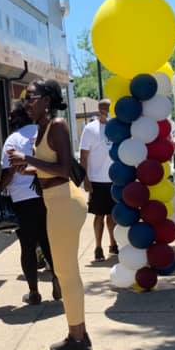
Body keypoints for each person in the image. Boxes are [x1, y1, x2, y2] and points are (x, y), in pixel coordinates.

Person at [8, 79, 91, 350]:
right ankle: (78, 334)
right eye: (25, 98)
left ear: (47, 99)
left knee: (66, 274)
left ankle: (77, 340)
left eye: (31, 97)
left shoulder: (57, 126)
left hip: (64, 203)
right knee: (66, 272)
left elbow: (64, 168)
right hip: (55, 202)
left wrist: (28, 158)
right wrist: (27, 167)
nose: (26, 103)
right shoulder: (43, 128)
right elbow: (49, 170)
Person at [0, 104, 61, 305]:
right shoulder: (43, 133)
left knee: (27, 247)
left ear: (14, 121)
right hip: (47, 195)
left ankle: (34, 292)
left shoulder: (13, 140)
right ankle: (57, 278)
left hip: (22, 200)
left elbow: (8, 172)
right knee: (48, 241)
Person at [79, 98, 117, 261]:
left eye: (107, 108)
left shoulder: (118, 127)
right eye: (102, 108)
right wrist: (85, 179)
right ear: (98, 109)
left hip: (116, 179)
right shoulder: (90, 129)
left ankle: (113, 244)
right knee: (99, 215)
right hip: (97, 180)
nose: (105, 110)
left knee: (113, 215)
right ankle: (98, 247)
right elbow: (83, 156)